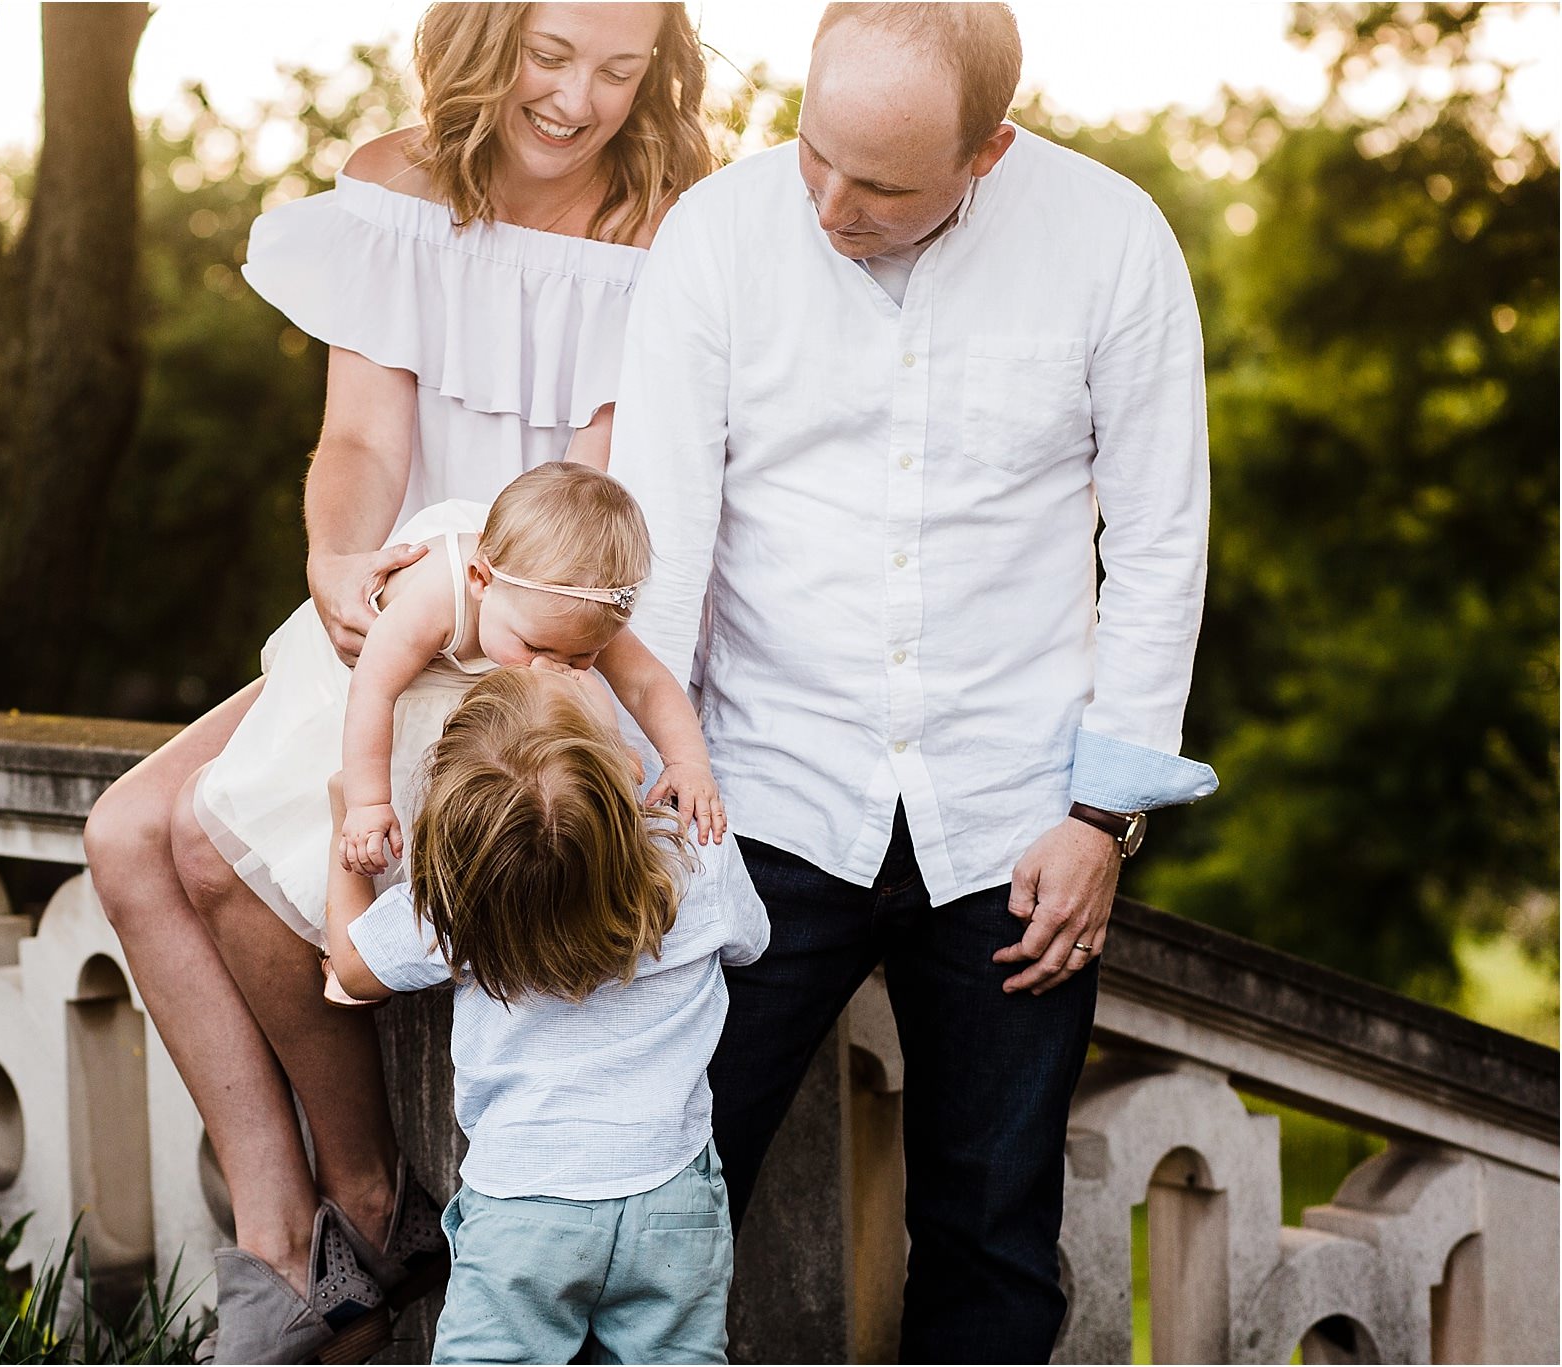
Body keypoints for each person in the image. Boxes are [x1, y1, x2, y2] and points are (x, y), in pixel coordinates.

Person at [80, 5, 712, 1361]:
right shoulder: (394, 187)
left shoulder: (662, 218)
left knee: (209, 834)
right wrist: (338, 558)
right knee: (121, 833)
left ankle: (363, 1207)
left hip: (534, 630)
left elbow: (584, 509)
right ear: (487, 33)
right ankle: (282, 1221)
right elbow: (362, 437)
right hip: (412, 584)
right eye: (551, 54)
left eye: (620, 68)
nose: (581, 100)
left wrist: (457, 610)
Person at [607, 4, 1219, 1360]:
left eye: (879, 183)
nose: (829, 203)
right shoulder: (716, 239)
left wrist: (1103, 814)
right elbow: (657, 543)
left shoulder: (1114, 244)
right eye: (814, 152)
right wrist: (642, 787)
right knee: (643, 1202)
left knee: (993, 1243)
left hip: (1018, 826)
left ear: (990, 149)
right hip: (748, 801)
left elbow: (1162, 540)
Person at [323, 666, 770, 1365]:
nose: (552, 659)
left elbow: (350, 966)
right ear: (626, 766)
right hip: (671, 1193)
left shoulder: (458, 898)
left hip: (524, 1210)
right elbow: (753, 939)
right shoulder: (698, 859)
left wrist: (344, 827)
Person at [198, 463, 724, 956]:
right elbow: (373, 693)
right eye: (537, 648)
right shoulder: (435, 599)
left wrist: (687, 761)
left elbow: (647, 684)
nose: (552, 667)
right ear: (480, 579)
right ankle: (348, 938)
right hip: (374, 690)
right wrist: (367, 803)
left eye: (581, 656)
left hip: (454, 687)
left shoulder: (564, 611)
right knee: (370, 816)